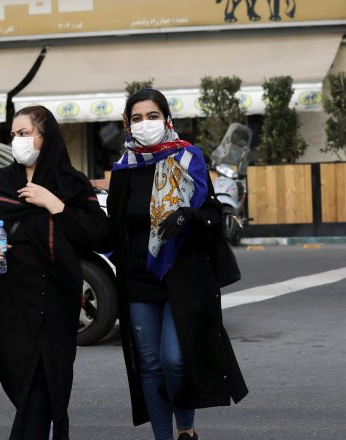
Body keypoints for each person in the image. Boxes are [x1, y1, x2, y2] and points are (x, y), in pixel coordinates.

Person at [99, 88, 248, 440]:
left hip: (183, 276)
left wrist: (187, 216)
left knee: (174, 360)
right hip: (138, 278)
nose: (145, 124)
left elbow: (211, 213)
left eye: (152, 116)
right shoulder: (124, 168)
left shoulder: (187, 158)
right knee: (149, 366)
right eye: (136, 118)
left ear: (167, 120)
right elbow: (114, 225)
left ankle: (186, 427)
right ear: (127, 124)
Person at [0, 106, 106, 439]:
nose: (17, 141)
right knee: (26, 388)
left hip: (56, 301)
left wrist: (53, 204)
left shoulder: (70, 183)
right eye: (13, 135)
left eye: (24, 133)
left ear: (46, 136)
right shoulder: (0, 182)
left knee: (45, 387)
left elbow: (99, 235)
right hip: (9, 307)